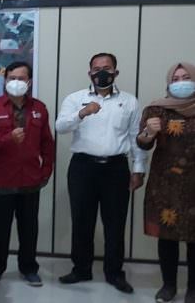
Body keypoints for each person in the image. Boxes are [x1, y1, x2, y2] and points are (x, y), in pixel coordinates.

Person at [55, 52, 146, 293]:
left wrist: (138, 169)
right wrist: (82, 113)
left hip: (116, 169)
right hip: (83, 167)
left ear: (116, 72)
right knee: (82, 221)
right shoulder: (76, 99)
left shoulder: (129, 101)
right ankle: (81, 269)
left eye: (107, 68)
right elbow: (60, 126)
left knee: (115, 223)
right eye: (96, 68)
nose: (101, 72)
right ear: (90, 73)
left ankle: (114, 273)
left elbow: (135, 137)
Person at [0, 62, 55, 286]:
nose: (16, 82)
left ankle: (29, 267)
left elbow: (47, 143)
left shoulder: (39, 108)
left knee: (29, 229)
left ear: (29, 82)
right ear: (5, 80)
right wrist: (7, 139)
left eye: (21, 78)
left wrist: (46, 169)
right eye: (12, 77)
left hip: (30, 180)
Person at [136, 62, 195, 303]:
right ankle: (168, 285)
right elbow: (143, 144)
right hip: (166, 183)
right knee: (167, 236)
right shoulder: (156, 109)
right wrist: (149, 132)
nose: (181, 82)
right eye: (176, 78)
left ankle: (193, 289)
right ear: (169, 83)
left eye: (187, 77)